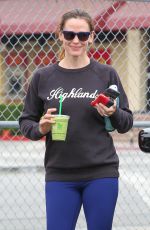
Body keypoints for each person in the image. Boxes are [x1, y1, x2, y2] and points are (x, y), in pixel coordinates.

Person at [19, 9, 133, 230]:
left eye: (82, 35)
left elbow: (126, 121)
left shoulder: (106, 74)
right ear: (60, 35)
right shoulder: (43, 77)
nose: (76, 40)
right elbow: (26, 122)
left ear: (91, 36)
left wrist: (113, 113)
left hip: (101, 172)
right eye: (69, 34)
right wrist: (40, 127)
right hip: (60, 174)